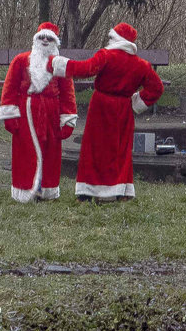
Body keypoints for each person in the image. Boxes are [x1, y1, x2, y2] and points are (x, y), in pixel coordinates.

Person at [50, 22, 163, 202]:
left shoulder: (106, 55)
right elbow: (156, 88)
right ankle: (120, 190)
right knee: (120, 148)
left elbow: (86, 69)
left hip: (101, 106)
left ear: (115, 39)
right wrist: (136, 102)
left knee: (94, 147)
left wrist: (60, 64)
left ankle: (88, 191)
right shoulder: (141, 64)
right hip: (124, 108)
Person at [0, 22, 78, 202]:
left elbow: (68, 94)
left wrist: (67, 118)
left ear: (54, 42)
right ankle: (26, 190)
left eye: (49, 38)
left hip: (51, 112)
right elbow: (9, 88)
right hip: (26, 112)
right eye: (41, 37)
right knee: (25, 151)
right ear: (36, 39)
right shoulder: (21, 60)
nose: (44, 40)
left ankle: (46, 190)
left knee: (50, 151)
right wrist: (10, 115)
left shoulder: (60, 64)